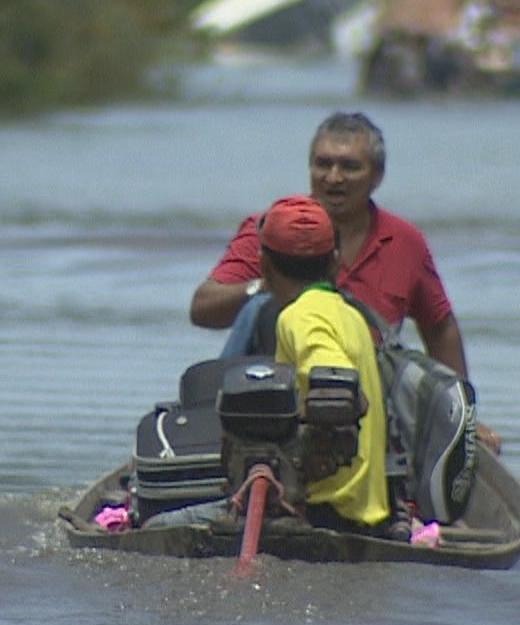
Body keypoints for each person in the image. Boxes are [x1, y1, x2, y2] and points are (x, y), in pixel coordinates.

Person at [189, 111, 502, 450]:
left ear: (377, 175)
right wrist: (264, 285)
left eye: (350, 167)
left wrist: (464, 418)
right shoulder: (270, 229)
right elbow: (203, 308)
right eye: (323, 165)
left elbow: (440, 328)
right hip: (269, 398)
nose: (333, 178)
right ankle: (208, 431)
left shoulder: (405, 242)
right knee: (260, 309)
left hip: (369, 399)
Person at [253, 194, 394, 535]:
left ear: (264, 266)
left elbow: (333, 383)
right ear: (334, 263)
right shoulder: (352, 316)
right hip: (369, 511)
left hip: (325, 513)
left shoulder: (299, 316)